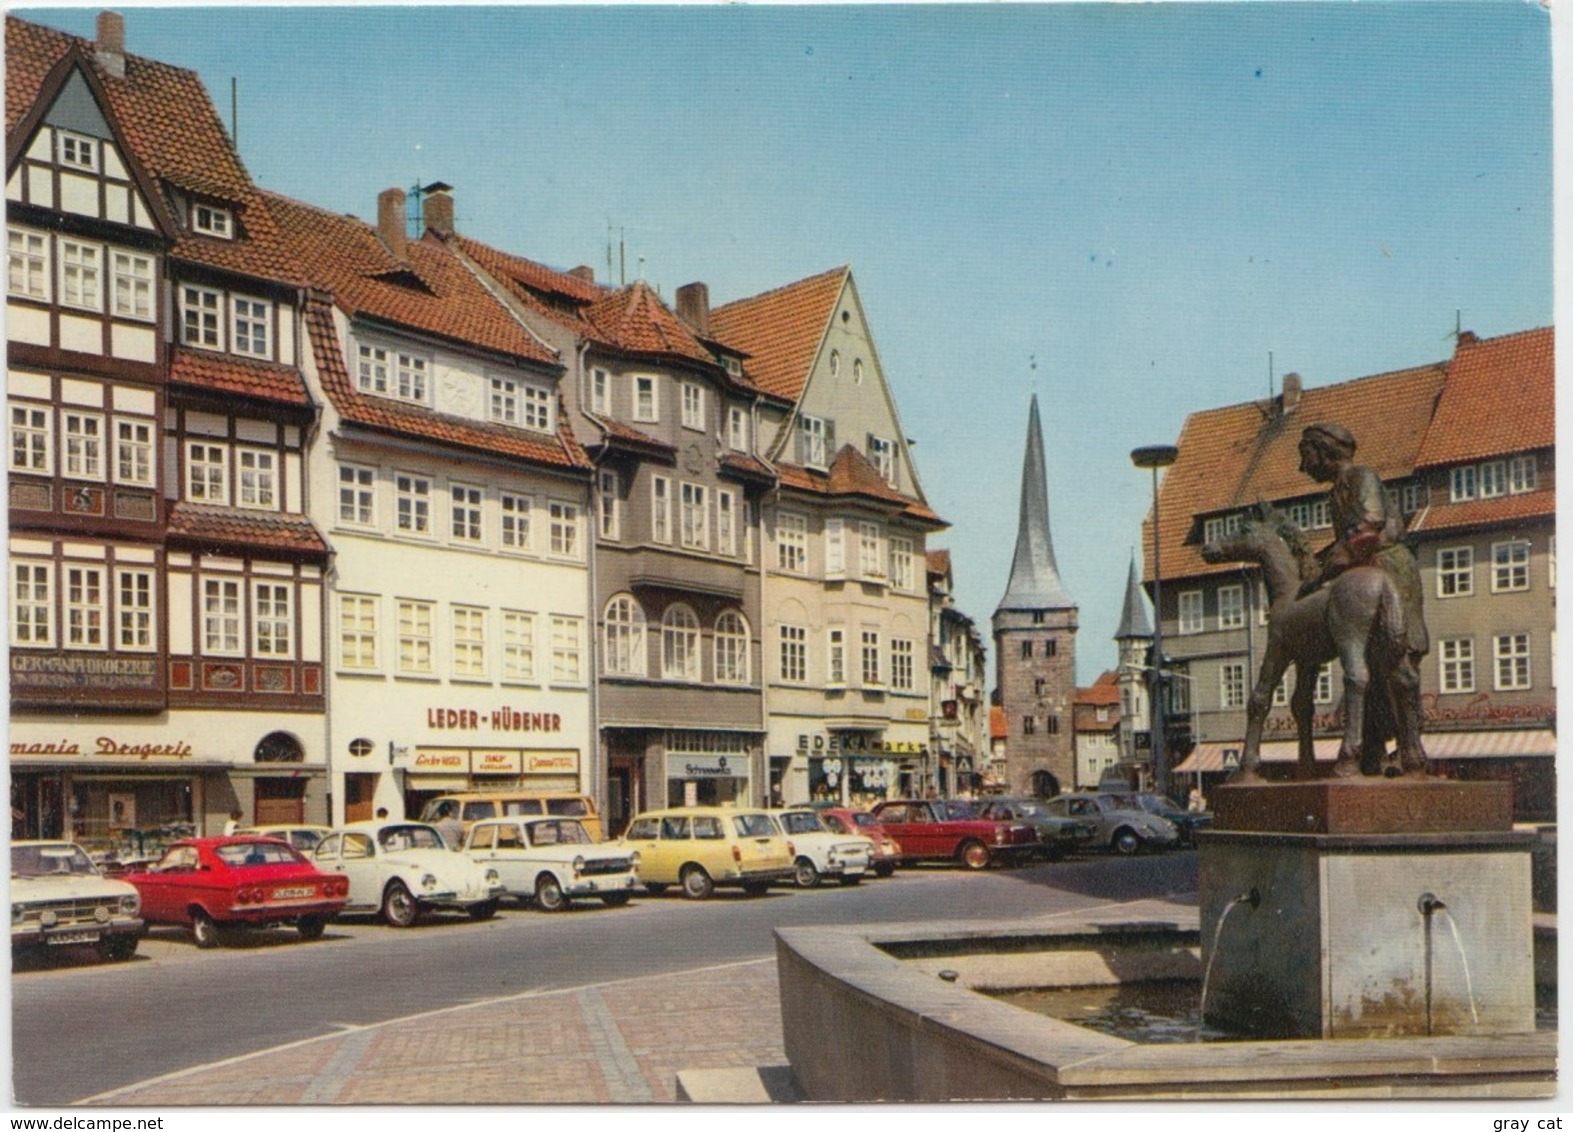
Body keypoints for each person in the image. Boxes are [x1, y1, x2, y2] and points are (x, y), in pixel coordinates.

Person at [1294, 422, 1429, 775]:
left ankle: (1410, 751)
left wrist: (1323, 572)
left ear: (1323, 451)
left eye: (1304, 455)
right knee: (1369, 671)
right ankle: (1374, 752)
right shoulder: (1337, 490)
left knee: (1399, 662)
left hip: (1388, 569)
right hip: (1364, 575)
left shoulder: (1360, 476)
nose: (1302, 466)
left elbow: (1369, 524)